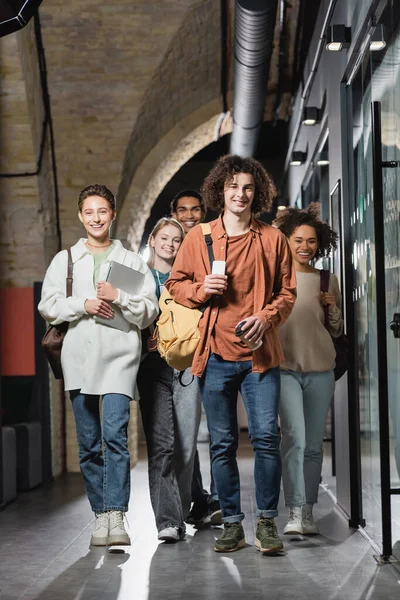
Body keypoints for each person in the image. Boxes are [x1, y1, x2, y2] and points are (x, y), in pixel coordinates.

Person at [166, 155, 296, 553]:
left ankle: (268, 523)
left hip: (259, 357)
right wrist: (201, 290)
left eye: (248, 188)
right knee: (222, 444)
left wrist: (267, 317)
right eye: (233, 187)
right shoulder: (198, 237)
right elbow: (176, 284)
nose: (240, 194)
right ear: (220, 190)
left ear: (257, 194)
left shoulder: (273, 238)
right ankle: (233, 524)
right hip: (215, 356)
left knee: (266, 440)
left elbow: (287, 293)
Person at [38, 184, 158, 547]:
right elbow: (49, 305)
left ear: (113, 214)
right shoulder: (66, 260)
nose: (95, 218)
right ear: (80, 215)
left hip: (120, 358)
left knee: (115, 437)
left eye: (102, 211)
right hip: (78, 358)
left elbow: (148, 311)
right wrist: (84, 304)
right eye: (89, 212)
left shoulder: (130, 261)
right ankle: (100, 515)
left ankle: (117, 515)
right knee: (89, 443)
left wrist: (117, 296)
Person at [273, 203, 343, 535]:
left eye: (311, 241)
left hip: (320, 370)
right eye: (298, 239)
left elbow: (337, 331)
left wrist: (332, 308)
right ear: (286, 240)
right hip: (284, 368)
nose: (305, 247)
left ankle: (308, 511)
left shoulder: (329, 279)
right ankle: (294, 511)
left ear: (320, 244)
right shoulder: (274, 280)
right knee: (295, 439)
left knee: (314, 444)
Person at [137, 217, 203, 542]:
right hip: (152, 368)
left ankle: (182, 510)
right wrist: (141, 337)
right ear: (152, 240)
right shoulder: (138, 278)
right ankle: (168, 521)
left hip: (188, 365)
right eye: (164, 238)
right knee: (161, 446)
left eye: (176, 240)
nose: (170, 244)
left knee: (187, 448)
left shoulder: (188, 277)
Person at [170, 189, 222, 526]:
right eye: (183, 209)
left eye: (196, 209)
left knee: (220, 430)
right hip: (184, 352)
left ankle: (219, 498)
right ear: (173, 213)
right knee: (185, 435)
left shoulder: (213, 243)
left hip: (217, 345)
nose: (189, 214)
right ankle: (197, 498)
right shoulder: (168, 246)